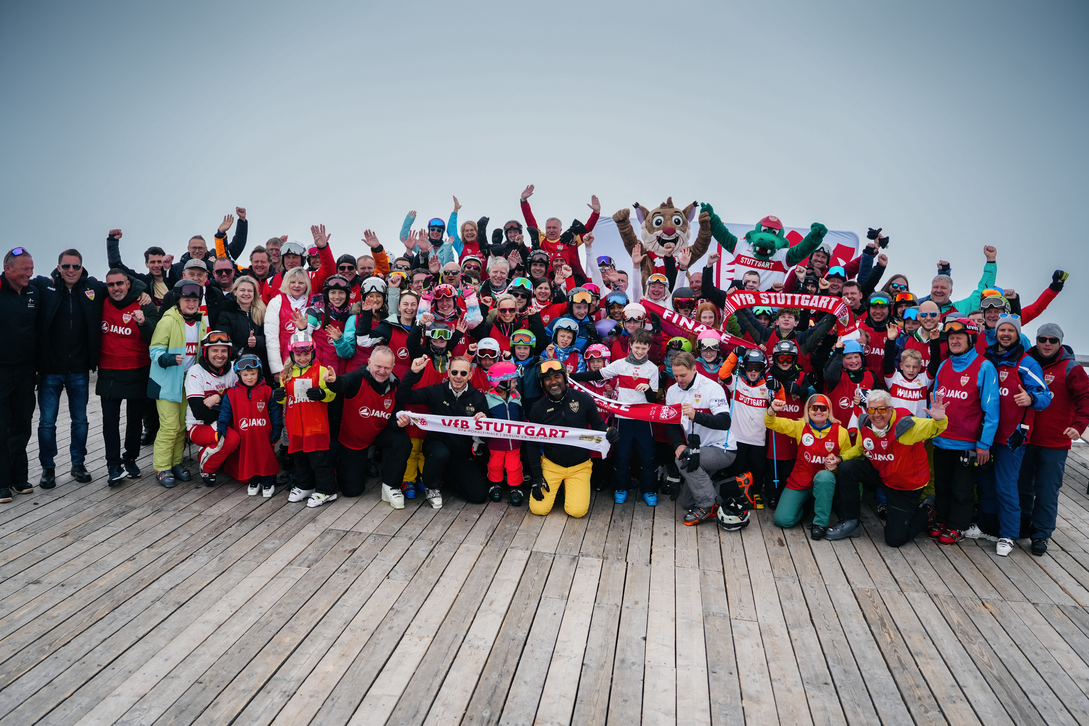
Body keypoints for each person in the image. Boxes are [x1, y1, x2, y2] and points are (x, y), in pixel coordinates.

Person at [968, 314, 1052, 556]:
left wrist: (1031, 398)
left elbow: (1045, 395)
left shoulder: (1027, 363)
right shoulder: (988, 359)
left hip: (1011, 437)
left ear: (1017, 335)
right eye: (1002, 330)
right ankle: (987, 526)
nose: (1005, 334)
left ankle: (1008, 533)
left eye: (1010, 331)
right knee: (985, 483)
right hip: (986, 434)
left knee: (1006, 486)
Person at [825, 390, 949, 546]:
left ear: (891, 409)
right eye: (872, 409)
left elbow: (933, 427)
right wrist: (840, 458)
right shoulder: (865, 423)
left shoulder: (905, 425)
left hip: (904, 485)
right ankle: (850, 522)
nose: (876, 414)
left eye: (882, 409)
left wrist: (939, 420)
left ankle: (926, 510)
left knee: (894, 539)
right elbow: (859, 449)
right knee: (847, 468)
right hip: (883, 473)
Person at [33, 248, 106, 488]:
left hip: (78, 369)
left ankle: (78, 464)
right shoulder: (45, 287)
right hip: (50, 369)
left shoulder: (92, 288)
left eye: (75, 266)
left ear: (82, 268)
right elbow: (16, 282)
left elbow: (124, 281)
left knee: (80, 420)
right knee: (46, 422)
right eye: (66, 266)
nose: (71, 270)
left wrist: (142, 294)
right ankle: (48, 468)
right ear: (59, 268)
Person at [1017, 324, 1089, 556]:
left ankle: (1041, 534)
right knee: (1022, 486)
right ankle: (1023, 524)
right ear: (1036, 340)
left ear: (1060, 343)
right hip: (1025, 438)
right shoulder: (1025, 361)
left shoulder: (1071, 368)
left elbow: (1085, 398)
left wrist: (1078, 426)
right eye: (1042, 339)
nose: (1047, 343)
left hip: (1055, 442)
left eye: (1052, 340)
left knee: (1047, 490)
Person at [572, 328, 659, 505]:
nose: (640, 351)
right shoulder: (620, 364)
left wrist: (648, 389)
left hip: (643, 419)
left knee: (647, 455)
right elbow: (596, 374)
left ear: (649, 348)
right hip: (623, 418)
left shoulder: (652, 369)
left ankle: (649, 490)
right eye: (637, 347)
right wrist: (569, 376)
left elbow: (653, 398)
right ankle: (621, 487)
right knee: (622, 455)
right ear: (631, 346)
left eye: (644, 348)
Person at [930, 318, 999, 544]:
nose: (954, 341)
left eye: (959, 337)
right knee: (942, 484)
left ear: (970, 339)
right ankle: (942, 519)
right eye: (950, 338)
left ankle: (957, 526)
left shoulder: (984, 366)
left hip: (967, 443)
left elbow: (992, 410)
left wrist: (984, 443)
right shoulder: (945, 364)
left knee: (961, 488)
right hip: (942, 440)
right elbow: (937, 402)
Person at [397, 355, 490, 508]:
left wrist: (484, 421)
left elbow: (485, 436)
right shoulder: (436, 391)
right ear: (448, 373)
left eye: (463, 373)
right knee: (441, 454)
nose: (458, 377)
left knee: (478, 496)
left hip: (460, 455)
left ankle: (446, 477)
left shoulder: (478, 398)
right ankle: (431, 486)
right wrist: (413, 372)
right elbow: (403, 395)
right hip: (437, 447)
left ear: (470, 375)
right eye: (454, 372)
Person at [526, 359, 616, 518]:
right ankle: (561, 486)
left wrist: (609, 431)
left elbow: (598, 424)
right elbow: (532, 444)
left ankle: (569, 487)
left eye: (557, 377)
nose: (553, 382)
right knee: (538, 509)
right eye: (547, 379)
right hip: (552, 464)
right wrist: (536, 476)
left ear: (565, 378)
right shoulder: (537, 408)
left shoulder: (583, 399)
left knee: (577, 511)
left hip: (579, 466)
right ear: (542, 383)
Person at [324, 346, 412, 507]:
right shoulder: (357, 377)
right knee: (352, 491)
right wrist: (333, 381)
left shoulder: (395, 385)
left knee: (402, 441)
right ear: (369, 362)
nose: (382, 371)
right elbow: (342, 383)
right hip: (352, 438)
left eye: (387, 367)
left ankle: (390, 485)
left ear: (393, 367)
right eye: (378, 366)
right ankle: (350, 466)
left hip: (378, 432)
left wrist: (400, 422)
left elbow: (394, 419)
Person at [98, 268, 158, 485]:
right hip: (108, 371)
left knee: (134, 421)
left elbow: (155, 336)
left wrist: (143, 322)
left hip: (137, 369)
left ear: (128, 284)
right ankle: (113, 466)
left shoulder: (144, 304)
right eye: (111, 285)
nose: (115, 288)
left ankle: (130, 459)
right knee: (109, 422)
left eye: (120, 284)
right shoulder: (101, 300)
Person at [765, 393, 853, 539]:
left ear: (829, 411)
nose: (818, 412)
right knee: (782, 520)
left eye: (823, 408)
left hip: (825, 482)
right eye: (815, 408)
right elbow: (771, 423)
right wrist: (772, 410)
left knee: (824, 476)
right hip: (800, 479)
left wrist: (836, 462)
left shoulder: (840, 432)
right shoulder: (800, 426)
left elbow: (847, 462)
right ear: (808, 410)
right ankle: (806, 507)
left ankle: (820, 523)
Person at [665, 352, 736, 525]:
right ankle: (738, 485)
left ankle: (707, 506)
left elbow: (725, 422)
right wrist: (678, 444)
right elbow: (671, 424)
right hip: (697, 449)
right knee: (688, 503)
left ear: (694, 369)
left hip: (722, 448)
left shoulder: (711, 388)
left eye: (683, 375)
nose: (679, 379)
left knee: (683, 460)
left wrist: (696, 416)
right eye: (675, 376)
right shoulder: (672, 391)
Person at [149, 279, 207, 487]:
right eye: (187, 300)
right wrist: (169, 359)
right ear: (178, 300)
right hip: (166, 382)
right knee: (169, 426)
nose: (191, 304)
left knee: (182, 425)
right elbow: (155, 350)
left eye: (195, 300)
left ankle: (175, 463)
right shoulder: (168, 321)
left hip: (189, 382)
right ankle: (161, 467)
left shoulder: (202, 322)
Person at [274, 332, 338, 508]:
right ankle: (305, 485)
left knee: (318, 460)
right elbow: (284, 398)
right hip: (295, 426)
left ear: (313, 353)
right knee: (299, 459)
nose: (302, 358)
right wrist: (278, 395)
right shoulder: (285, 373)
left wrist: (322, 393)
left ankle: (327, 490)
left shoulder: (321, 371)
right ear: (291, 354)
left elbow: (332, 394)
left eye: (306, 353)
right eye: (298, 354)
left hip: (315, 426)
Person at [0, 247, 39, 503]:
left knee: (22, 425)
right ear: (8, 269)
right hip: (1, 371)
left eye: (32, 268)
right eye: (25, 269)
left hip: (26, 371)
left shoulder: (34, 291)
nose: (30, 273)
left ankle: (18, 477)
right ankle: (2, 482)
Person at [217, 354, 282, 497]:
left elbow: (274, 412)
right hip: (245, 436)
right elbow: (225, 412)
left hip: (264, 436)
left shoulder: (266, 391)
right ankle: (253, 481)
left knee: (266, 458)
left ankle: (268, 481)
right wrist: (222, 426)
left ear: (259, 372)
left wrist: (277, 428)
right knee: (248, 459)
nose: (250, 377)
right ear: (239, 374)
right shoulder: (232, 394)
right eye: (245, 374)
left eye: (253, 373)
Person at [185, 331, 240, 486]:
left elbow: (244, 398)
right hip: (199, 425)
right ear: (206, 352)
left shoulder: (234, 369)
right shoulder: (196, 372)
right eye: (214, 350)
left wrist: (220, 398)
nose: (219, 355)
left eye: (223, 350)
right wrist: (229, 403)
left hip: (223, 419)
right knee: (231, 437)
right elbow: (200, 412)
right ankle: (206, 464)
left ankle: (225, 460)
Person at [483, 361, 526, 504]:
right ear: (502, 383)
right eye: (513, 382)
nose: (516, 384)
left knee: (514, 465)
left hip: (514, 442)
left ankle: (515, 487)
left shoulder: (516, 397)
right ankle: (495, 485)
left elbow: (521, 416)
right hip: (496, 443)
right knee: (495, 464)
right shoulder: (488, 399)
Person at [918, 245, 998, 317]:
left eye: (943, 288)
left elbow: (983, 291)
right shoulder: (920, 309)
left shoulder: (960, 309)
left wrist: (991, 261)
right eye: (935, 287)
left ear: (951, 292)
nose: (939, 290)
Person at [265, 268, 312, 382]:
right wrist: (277, 369)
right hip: (284, 360)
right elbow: (271, 338)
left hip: (309, 359)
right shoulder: (277, 302)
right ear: (286, 283)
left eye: (301, 282)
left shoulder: (313, 302)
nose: (297, 286)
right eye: (292, 282)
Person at [216, 276, 269, 378]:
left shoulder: (263, 311)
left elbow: (270, 336)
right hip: (236, 363)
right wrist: (242, 353)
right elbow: (224, 340)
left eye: (250, 291)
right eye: (242, 290)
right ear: (235, 292)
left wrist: (257, 341)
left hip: (260, 363)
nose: (246, 293)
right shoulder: (226, 312)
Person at [106, 229, 173, 304]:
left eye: (159, 261)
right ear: (146, 264)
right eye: (152, 262)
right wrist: (113, 241)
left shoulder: (175, 277)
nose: (156, 265)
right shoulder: (142, 281)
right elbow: (116, 267)